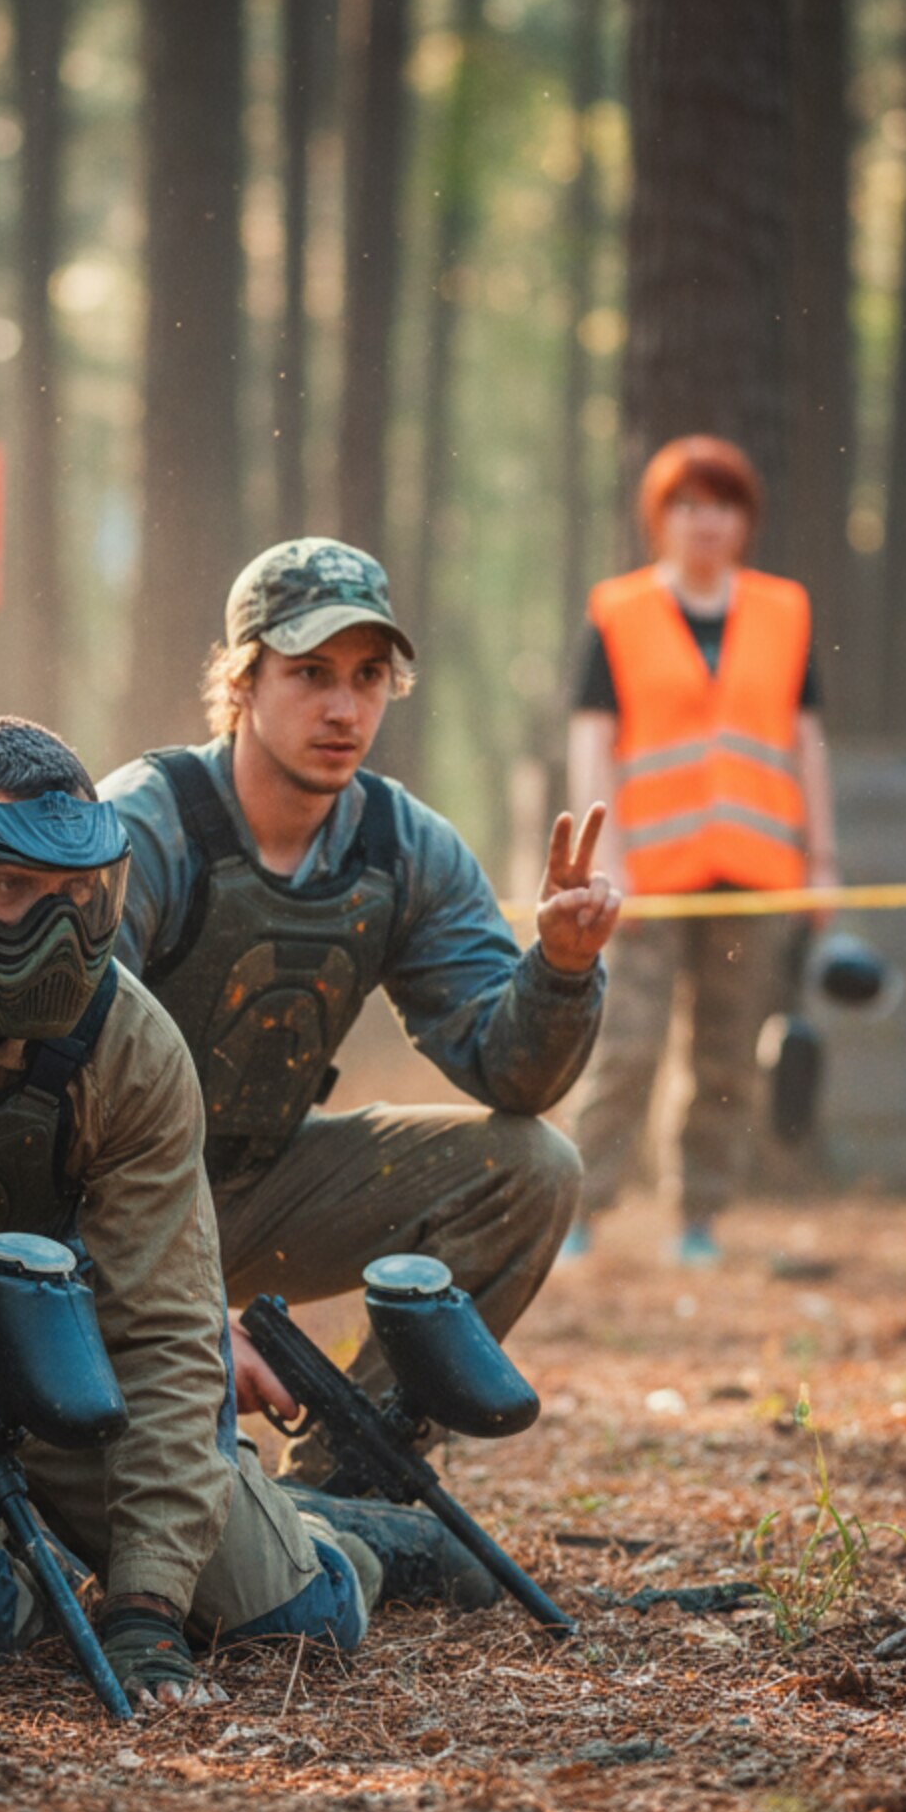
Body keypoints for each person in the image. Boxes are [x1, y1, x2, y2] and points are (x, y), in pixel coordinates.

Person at [0, 717, 486, 1709]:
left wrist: (148, 1607)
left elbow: (167, 1335)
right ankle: (17, 1552)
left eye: (75, 896)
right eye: (8, 888)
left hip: (57, 1383)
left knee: (293, 1619)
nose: (51, 932)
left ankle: (338, 1532)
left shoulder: (126, 1044)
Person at [99, 540, 618, 1497]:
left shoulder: (402, 845)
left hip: (259, 1190)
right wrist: (180, 1300)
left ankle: (349, 1481)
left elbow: (512, 1075)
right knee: (131, 1494)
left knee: (532, 1168)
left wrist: (561, 970)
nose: (344, 709)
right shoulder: (140, 829)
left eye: (368, 676)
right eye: (311, 674)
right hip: (104, 1206)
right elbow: (52, 1089)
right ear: (242, 679)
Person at [564, 436, 840, 1269]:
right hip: (645, 881)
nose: (705, 521)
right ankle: (577, 1214)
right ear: (659, 518)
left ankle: (699, 1220)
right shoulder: (619, 612)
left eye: (722, 504)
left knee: (726, 1058)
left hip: (756, 876)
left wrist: (823, 860)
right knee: (627, 1048)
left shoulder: (785, 612)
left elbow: (806, 742)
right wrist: (606, 859)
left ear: (745, 519)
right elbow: (592, 742)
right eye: (686, 505)